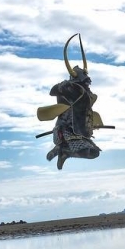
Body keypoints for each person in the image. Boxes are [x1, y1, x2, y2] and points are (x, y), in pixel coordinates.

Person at [45, 34, 102, 170]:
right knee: (84, 150)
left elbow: (87, 112)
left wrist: (93, 124)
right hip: (66, 131)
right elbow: (53, 91)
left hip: (81, 132)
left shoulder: (87, 94)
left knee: (94, 153)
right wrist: (62, 86)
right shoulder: (68, 89)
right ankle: (62, 149)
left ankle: (64, 152)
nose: (87, 85)